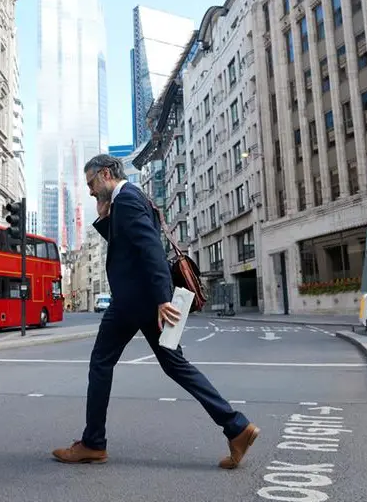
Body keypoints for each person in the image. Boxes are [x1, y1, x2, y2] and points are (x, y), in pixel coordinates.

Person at [52, 154, 260, 468]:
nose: (91, 191)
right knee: (175, 365)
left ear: (106, 173)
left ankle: (93, 443)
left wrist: (164, 299)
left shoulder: (130, 200)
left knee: (101, 363)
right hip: (143, 299)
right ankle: (236, 427)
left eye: (92, 183)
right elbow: (130, 244)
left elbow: (150, 248)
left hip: (135, 300)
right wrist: (104, 215)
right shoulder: (127, 199)